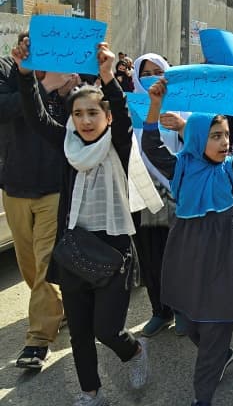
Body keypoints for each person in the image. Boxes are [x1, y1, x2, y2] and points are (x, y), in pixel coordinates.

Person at [13, 39, 154, 406]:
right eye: (79, 114)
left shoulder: (119, 144)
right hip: (73, 248)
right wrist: (26, 75)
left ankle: (135, 351)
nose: (86, 121)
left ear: (106, 117)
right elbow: (36, 117)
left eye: (94, 114)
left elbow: (123, 114)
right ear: (71, 118)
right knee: (79, 332)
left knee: (106, 329)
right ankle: (91, 393)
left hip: (114, 250)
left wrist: (108, 76)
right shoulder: (66, 145)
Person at [142, 76, 233, 406]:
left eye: (226, 135)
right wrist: (155, 105)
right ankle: (221, 354)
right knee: (192, 324)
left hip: (222, 258)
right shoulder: (180, 168)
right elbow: (150, 146)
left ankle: (203, 397)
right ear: (196, 138)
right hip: (187, 256)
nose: (224, 142)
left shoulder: (230, 170)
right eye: (215, 135)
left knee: (213, 330)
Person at [0, 32, 71, 371]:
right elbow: (5, 109)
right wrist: (41, 85)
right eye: (30, 46)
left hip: (54, 187)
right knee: (28, 264)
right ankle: (59, 308)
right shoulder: (5, 71)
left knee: (43, 262)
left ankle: (37, 341)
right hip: (14, 186)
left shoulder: (68, 76)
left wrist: (67, 88)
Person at [130, 53, 188, 337]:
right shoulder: (130, 107)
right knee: (151, 257)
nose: (152, 77)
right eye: (146, 72)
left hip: (175, 193)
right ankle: (160, 311)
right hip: (142, 194)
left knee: (177, 255)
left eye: (157, 71)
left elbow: (197, 145)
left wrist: (182, 126)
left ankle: (182, 310)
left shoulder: (183, 107)